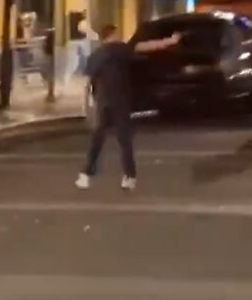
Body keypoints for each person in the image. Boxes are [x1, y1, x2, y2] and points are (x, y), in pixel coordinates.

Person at [76, 24, 180, 191]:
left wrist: (85, 106)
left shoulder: (96, 55)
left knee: (97, 139)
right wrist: (170, 41)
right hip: (121, 100)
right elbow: (145, 47)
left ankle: (86, 174)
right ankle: (129, 176)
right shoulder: (121, 49)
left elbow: (88, 82)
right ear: (112, 34)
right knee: (124, 139)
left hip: (103, 101)